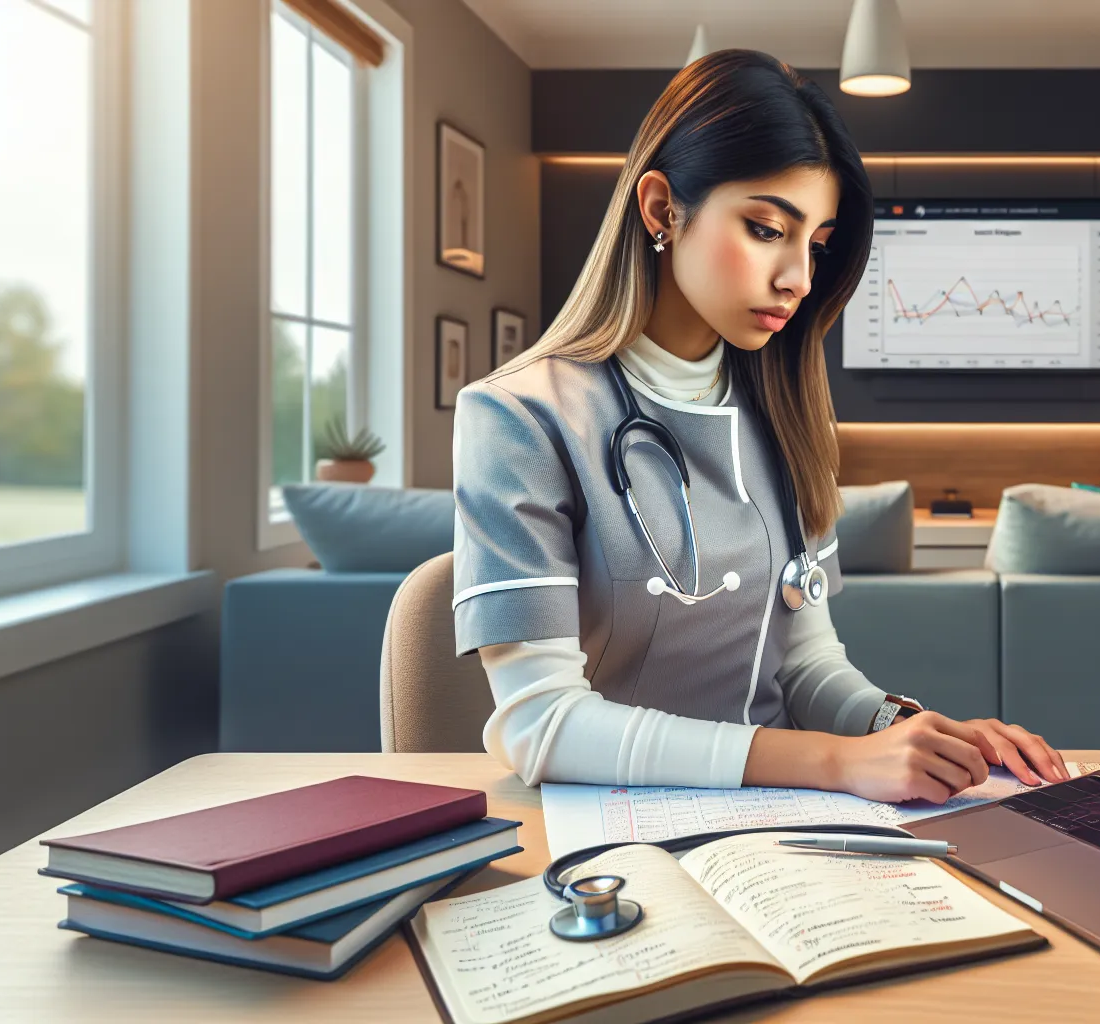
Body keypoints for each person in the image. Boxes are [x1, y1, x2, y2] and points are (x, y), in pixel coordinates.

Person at [451, 49, 1066, 804]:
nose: (800, 280)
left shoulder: (785, 412)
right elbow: (540, 725)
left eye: (816, 243)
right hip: (613, 828)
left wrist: (908, 730)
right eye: (768, 228)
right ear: (661, 210)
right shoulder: (519, 416)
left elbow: (804, 667)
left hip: (786, 822)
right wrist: (834, 764)